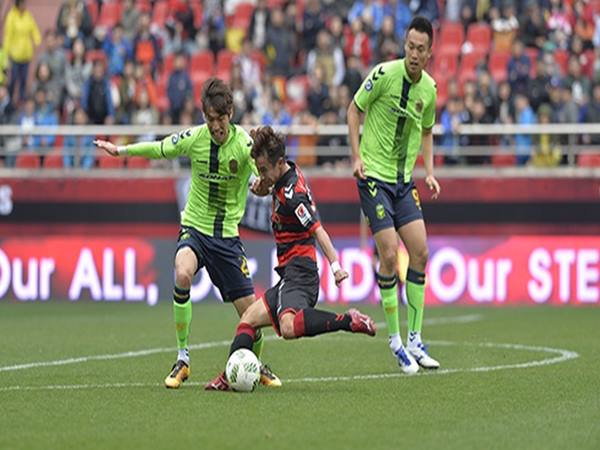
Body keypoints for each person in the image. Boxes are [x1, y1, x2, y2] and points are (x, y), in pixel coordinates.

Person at [93, 78, 281, 389]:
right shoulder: (195, 138)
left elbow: (263, 178)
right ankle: (183, 359)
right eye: (210, 119)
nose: (216, 126)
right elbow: (159, 148)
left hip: (227, 240)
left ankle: (253, 364)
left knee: (252, 315)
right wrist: (121, 150)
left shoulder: (245, 145)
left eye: (220, 119)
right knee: (182, 273)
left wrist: (262, 186)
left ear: (230, 113)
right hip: (195, 228)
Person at [205, 126, 376, 391]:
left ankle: (347, 320)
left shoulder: (292, 196)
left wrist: (336, 266)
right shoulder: (286, 173)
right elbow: (268, 185)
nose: (261, 175)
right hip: (290, 274)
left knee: (287, 327)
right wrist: (262, 184)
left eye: (263, 169)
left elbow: (318, 230)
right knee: (247, 319)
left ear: (279, 162)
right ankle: (229, 377)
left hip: (301, 272)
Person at [347, 16, 440, 375]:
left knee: (420, 252)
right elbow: (354, 110)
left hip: (403, 183)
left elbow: (428, 131)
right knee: (388, 254)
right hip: (373, 177)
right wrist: (356, 156)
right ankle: (397, 342)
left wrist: (429, 171)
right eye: (410, 47)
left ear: (430, 53)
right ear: (404, 46)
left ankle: (415, 338)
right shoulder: (384, 75)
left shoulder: (429, 90)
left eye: (420, 49)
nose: (414, 54)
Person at [3, 0, 41, 104]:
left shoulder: (27, 15)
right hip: (15, 55)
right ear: (18, 4)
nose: (25, 6)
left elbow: (33, 28)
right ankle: (9, 100)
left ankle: (22, 99)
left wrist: (37, 39)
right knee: (13, 79)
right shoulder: (11, 16)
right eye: (23, 4)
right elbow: (8, 36)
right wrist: (6, 53)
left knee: (24, 79)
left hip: (26, 54)